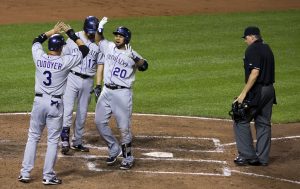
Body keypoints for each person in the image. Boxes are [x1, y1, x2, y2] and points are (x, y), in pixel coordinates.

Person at [18, 22, 89, 185]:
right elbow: (84, 50)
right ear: (61, 48)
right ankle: (48, 176)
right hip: (55, 105)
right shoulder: (65, 62)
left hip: (38, 102)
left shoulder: (39, 57)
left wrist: (52, 31)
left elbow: (36, 41)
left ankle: (25, 173)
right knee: (52, 140)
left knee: (33, 137)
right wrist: (70, 32)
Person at [94, 17, 148, 170]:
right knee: (99, 122)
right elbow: (99, 40)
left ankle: (128, 157)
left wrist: (135, 58)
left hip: (122, 94)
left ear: (126, 38)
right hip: (106, 91)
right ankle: (113, 148)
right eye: (116, 35)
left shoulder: (132, 53)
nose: (117, 37)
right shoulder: (109, 47)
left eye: (120, 35)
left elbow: (144, 66)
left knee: (124, 127)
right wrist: (100, 28)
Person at [60, 16, 106, 154]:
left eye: (94, 31)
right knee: (67, 110)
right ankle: (64, 141)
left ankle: (77, 141)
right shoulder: (74, 38)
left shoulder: (99, 42)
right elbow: (63, 58)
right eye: (89, 31)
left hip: (88, 81)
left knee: (82, 113)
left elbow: (100, 64)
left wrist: (98, 85)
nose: (92, 34)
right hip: (72, 78)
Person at [233, 26, 276, 166]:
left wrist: (243, 94)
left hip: (258, 91)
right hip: (270, 90)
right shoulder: (267, 48)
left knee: (240, 118)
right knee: (263, 123)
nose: (245, 41)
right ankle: (262, 158)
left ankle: (247, 155)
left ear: (251, 36)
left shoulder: (252, 49)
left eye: (246, 38)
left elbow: (255, 72)